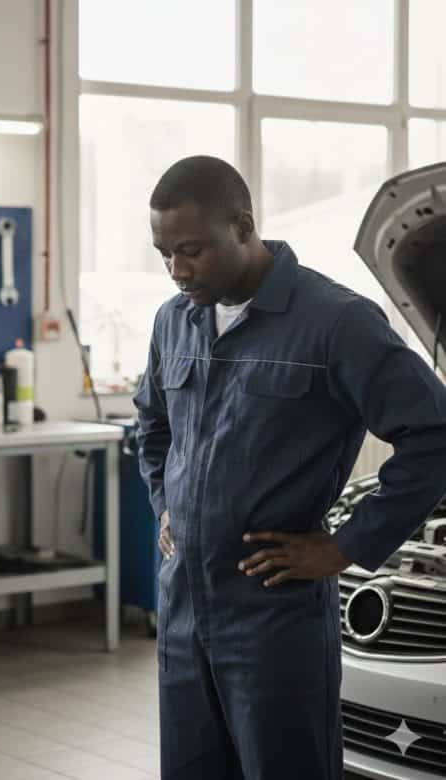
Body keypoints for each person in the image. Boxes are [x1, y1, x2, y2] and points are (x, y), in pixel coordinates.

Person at [133, 156, 446, 779]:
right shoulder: (173, 321)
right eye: (164, 253)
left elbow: (433, 435)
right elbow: (152, 426)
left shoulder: (335, 322)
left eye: (192, 250)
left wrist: (344, 548)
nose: (177, 271)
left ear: (244, 226)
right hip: (183, 614)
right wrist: (166, 506)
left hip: (274, 621)